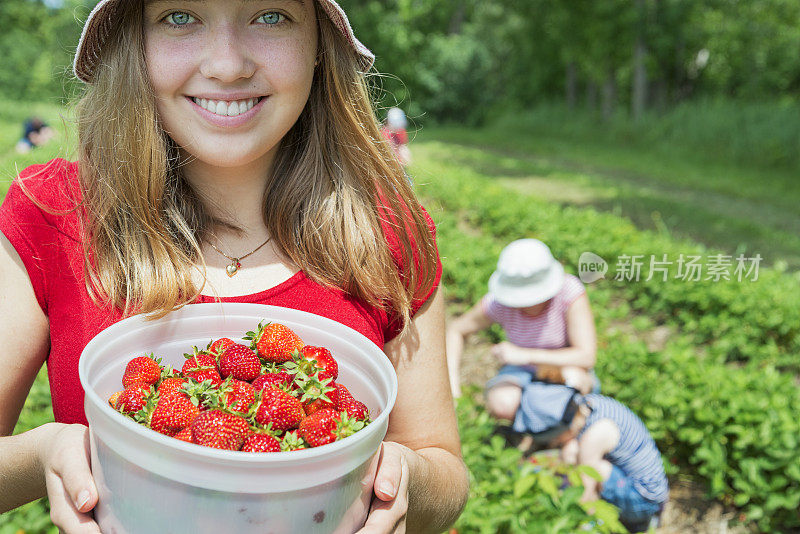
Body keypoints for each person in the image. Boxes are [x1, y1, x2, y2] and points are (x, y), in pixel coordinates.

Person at [0, 2, 468, 533]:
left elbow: (443, 467)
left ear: (319, 46)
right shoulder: (54, 216)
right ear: (136, 43)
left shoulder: (384, 236)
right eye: (180, 16)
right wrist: (47, 452)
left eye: (271, 15)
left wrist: (406, 477)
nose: (227, 65)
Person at [446, 238, 598, 410]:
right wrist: (452, 389)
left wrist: (525, 355)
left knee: (575, 382)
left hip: (563, 368)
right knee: (502, 402)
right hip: (520, 371)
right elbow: (456, 330)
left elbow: (586, 356)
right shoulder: (499, 303)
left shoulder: (569, 293)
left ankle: (559, 430)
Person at [518, 382, 669, 533]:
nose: (554, 442)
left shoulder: (595, 435)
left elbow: (586, 493)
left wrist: (570, 522)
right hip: (638, 482)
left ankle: (620, 523)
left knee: (587, 467)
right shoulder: (587, 405)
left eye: (554, 438)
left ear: (566, 427)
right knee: (571, 451)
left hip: (644, 500)